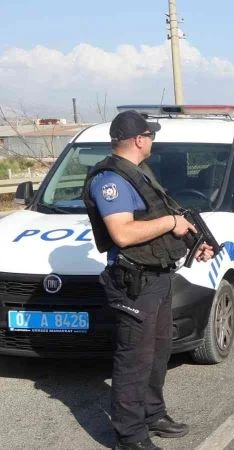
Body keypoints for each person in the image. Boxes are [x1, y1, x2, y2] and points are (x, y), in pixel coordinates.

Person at [82, 110, 214, 450]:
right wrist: (172, 224)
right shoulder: (110, 180)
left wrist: (191, 241)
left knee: (157, 352)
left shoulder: (139, 173)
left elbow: (160, 216)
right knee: (134, 360)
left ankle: (152, 414)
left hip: (157, 276)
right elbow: (123, 233)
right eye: (150, 135)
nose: (153, 140)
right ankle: (130, 435)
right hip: (134, 282)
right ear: (139, 140)